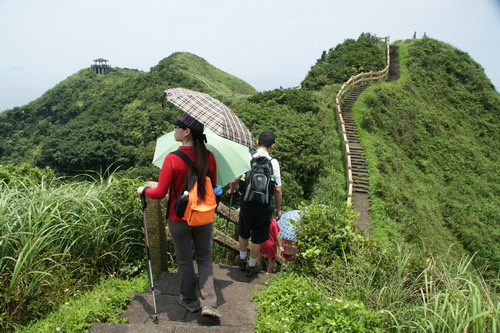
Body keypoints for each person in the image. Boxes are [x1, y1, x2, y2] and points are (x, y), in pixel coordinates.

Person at [137, 113, 221, 320]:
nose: (174, 129)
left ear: (186, 131)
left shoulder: (173, 159)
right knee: (204, 257)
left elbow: (158, 193)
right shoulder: (209, 156)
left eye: (177, 126)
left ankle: (188, 299)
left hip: (179, 217)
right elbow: (212, 187)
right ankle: (209, 303)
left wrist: (143, 190)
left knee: (184, 260)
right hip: (203, 216)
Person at [227, 131, 282, 278]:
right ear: (272, 146)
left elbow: (234, 181)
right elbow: (277, 189)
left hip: (246, 202)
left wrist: (231, 191)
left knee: (244, 232)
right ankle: (252, 266)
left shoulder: (248, 157)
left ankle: (242, 259)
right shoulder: (273, 162)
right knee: (257, 237)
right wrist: (278, 209)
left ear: (257, 142)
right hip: (264, 205)